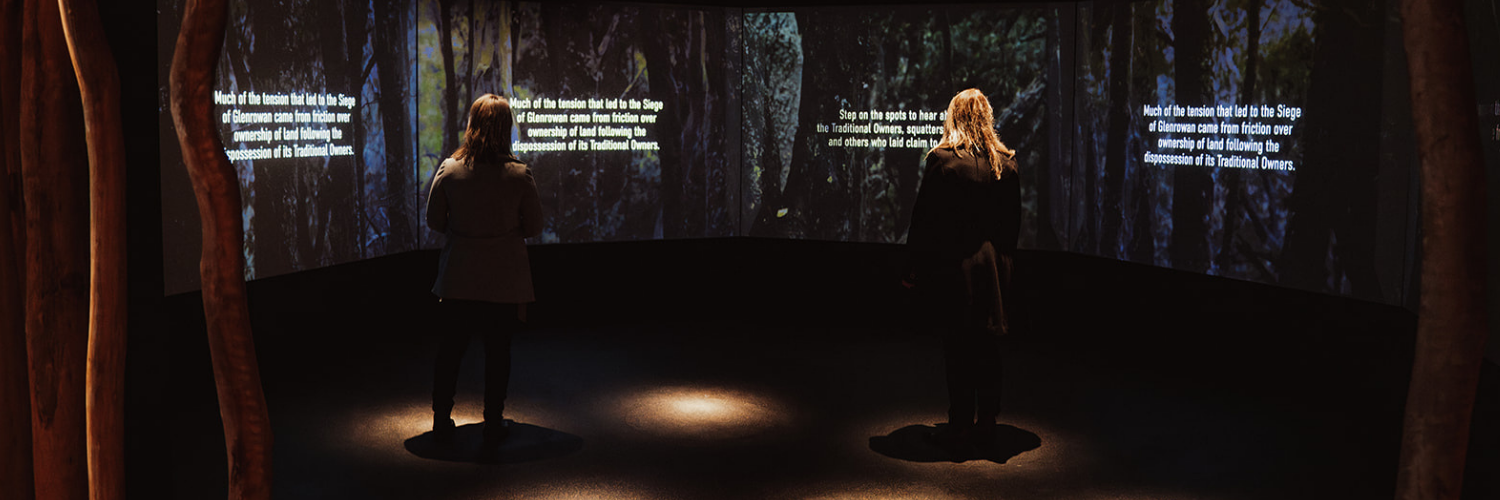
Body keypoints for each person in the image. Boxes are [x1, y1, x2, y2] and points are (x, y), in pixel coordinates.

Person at [425, 93, 543, 453]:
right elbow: (534, 226)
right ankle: (493, 423)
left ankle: (441, 421)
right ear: (507, 127)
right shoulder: (519, 175)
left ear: (472, 125)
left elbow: (434, 221)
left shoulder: (450, 170)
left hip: (458, 277)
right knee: (498, 353)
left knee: (450, 352)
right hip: (503, 280)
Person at [904, 88, 1020, 449]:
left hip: (955, 267)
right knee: (988, 346)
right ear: (987, 117)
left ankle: (960, 425)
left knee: (958, 346)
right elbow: (1013, 224)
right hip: (994, 268)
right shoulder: (1007, 163)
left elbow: (924, 221)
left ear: (953, 116)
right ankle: (987, 421)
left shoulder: (943, 161)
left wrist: (913, 267)